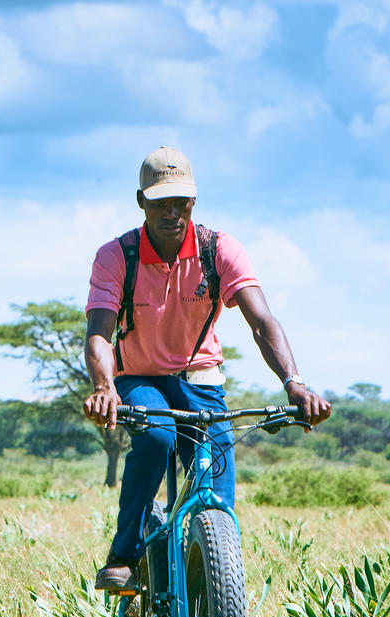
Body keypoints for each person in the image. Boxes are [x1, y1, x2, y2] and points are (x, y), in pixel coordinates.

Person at [82, 147, 331, 594]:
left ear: (194, 201)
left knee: (216, 490)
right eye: (161, 202)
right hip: (140, 377)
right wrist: (105, 387)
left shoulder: (219, 250)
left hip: (200, 377)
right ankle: (125, 554)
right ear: (141, 202)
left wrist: (294, 383)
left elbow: (262, 322)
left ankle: (210, 593)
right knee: (157, 438)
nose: (172, 213)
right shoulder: (117, 256)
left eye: (181, 202)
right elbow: (99, 331)